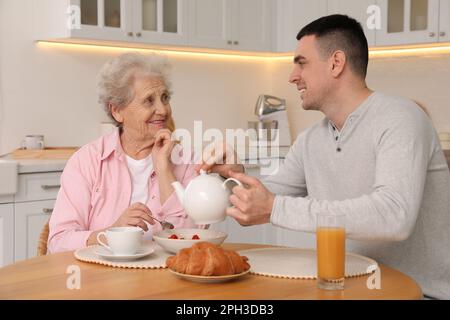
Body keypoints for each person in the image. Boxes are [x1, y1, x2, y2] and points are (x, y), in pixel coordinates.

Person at [198, 15, 450, 299]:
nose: (292, 76)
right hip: (349, 288)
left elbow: (394, 216)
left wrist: (275, 208)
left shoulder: (401, 118)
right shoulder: (311, 140)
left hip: (419, 294)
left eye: (301, 63)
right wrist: (233, 174)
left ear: (336, 63)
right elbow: (268, 197)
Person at [48, 53, 199, 253]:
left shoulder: (187, 161)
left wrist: (164, 170)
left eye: (165, 98)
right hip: (101, 280)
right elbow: (59, 242)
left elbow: (192, 242)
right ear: (117, 111)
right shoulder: (87, 161)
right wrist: (112, 233)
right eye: (149, 101)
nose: (162, 110)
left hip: (167, 277)